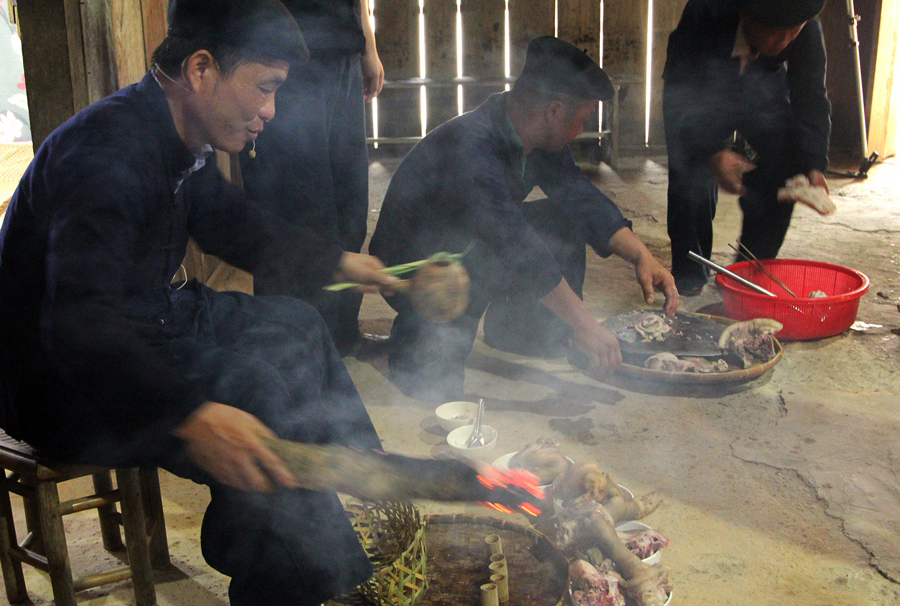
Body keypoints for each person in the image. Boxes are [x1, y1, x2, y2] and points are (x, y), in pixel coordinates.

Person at [0, 2, 396, 606]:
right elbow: (79, 328)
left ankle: (344, 487)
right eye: (264, 88)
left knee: (295, 324)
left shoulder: (173, 132)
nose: (270, 110)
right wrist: (192, 412)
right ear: (202, 70)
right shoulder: (106, 155)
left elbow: (227, 221)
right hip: (65, 380)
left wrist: (343, 263)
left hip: (144, 317)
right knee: (253, 391)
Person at [368, 37, 678, 403]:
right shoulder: (472, 147)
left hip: (471, 243)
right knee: (433, 388)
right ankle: (412, 347)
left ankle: (524, 334)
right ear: (553, 111)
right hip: (418, 268)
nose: (581, 130)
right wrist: (586, 324)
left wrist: (642, 255)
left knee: (558, 218)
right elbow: (512, 242)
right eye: (581, 119)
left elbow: (579, 196)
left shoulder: (531, 136)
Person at [238, 0, 384, 352]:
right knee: (296, 209)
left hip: (341, 52)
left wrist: (367, 44)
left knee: (350, 209)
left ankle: (341, 336)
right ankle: (291, 345)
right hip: (280, 55)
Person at [663, 0, 831, 295]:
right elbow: (683, 93)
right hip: (696, 89)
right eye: (776, 33)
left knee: (786, 160)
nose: (784, 43)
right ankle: (690, 270)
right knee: (690, 177)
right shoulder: (705, 12)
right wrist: (713, 150)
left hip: (761, 84)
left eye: (792, 34)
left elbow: (812, 99)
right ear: (746, 15)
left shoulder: (804, 24)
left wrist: (813, 165)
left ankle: (750, 271)